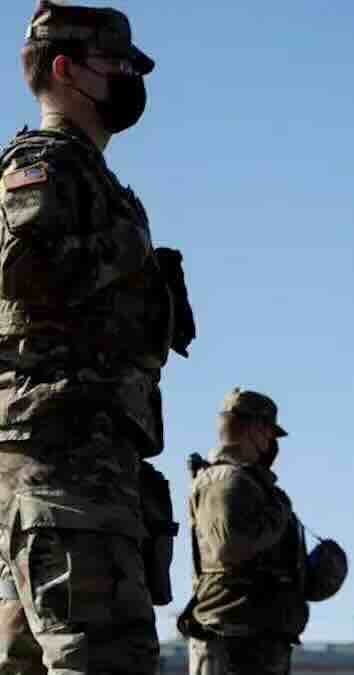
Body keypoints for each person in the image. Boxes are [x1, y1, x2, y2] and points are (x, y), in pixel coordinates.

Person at [0, 2, 193, 672]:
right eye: (118, 64)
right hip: (62, 465)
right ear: (64, 69)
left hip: (83, 466)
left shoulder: (95, 181)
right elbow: (31, 273)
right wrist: (132, 256)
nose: (132, 78)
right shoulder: (43, 169)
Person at [179, 389, 312, 675]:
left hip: (254, 639)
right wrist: (279, 511)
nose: (271, 443)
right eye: (268, 433)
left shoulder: (251, 483)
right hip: (232, 641)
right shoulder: (225, 480)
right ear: (254, 429)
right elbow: (230, 547)